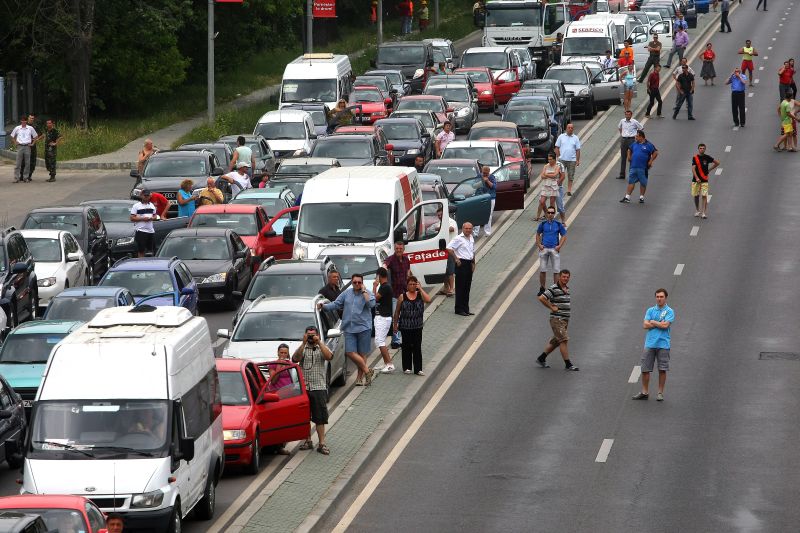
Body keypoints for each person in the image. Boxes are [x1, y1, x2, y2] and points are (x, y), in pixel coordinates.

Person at [319, 273, 376, 386]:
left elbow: (371, 305)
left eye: (359, 282)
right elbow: (336, 304)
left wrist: (364, 292)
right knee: (350, 352)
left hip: (363, 328)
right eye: (354, 282)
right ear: (352, 282)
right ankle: (367, 370)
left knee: (362, 353)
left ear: (362, 283)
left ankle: (359, 379)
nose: (357, 284)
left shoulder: (367, 293)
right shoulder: (346, 293)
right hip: (349, 328)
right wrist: (324, 307)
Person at [293, 326, 334, 455]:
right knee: (305, 417)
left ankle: (322, 443)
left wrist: (319, 342)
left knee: (320, 417)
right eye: (308, 334)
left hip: (318, 387)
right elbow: (295, 359)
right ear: (305, 335)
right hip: (304, 388)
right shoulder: (303, 348)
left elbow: (329, 356)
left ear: (317, 335)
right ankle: (307, 441)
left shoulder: (321, 347)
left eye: (313, 334)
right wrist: (303, 343)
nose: (311, 337)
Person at [632, 288, 675, 401]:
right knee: (645, 369)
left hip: (663, 344)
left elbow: (666, 325)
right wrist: (659, 323)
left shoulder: (670, 311)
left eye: (661, 297)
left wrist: (654, 322)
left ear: (665, 298)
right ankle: (645, 392)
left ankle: (660, 393)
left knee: (662, 369)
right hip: (650, 343)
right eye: (657, 297)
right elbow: (645, 325)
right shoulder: (650, 310)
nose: (659, 299)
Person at [536, 269, 578, 371]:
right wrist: (551, 306)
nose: (565, 279)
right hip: (557, 319)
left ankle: (541, 358)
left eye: (567, 277)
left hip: (564, 320)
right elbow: (542, 298)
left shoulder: (566, 288)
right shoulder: (553, 288)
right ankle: (568, 364)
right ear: (559, 277)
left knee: (556, 341)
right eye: (563, 277)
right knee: (563, 340)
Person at [393, 276, 431, 375]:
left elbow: (428, 300)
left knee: (417, 347)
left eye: (414, 284)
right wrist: (395, 325)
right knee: (406, 347)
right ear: (407, 285)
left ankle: (418, 369)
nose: (412, 286)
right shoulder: (402, 296)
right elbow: (397, 312)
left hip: (417, 326)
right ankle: (407, 367)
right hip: (405, 326)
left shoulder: (419, 295)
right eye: (410, 284)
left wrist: (421, 289)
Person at [384, 241, 411, 348]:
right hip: (395, 294)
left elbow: (408, 271)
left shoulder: (406, 260)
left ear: (403, 249)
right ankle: (395, 340)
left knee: (405, 316)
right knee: (395, 317)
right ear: (394, 249)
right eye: (397, 249)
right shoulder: (391, 259)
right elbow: (385, 264)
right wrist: (384, 269)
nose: (399, 250)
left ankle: (404, 338)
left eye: (400, 249)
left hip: (405, 293)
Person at [620, 130, 658, 204]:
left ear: (641, 137)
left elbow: (655, 152)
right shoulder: (634, 144)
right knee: (631, 181)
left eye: (637, 136)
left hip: (643, 168)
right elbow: (629, 149)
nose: (635, 138)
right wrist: (629, 156)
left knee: (643, 182)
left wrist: (651, 161)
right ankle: (627, 197)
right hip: (633, 167)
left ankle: (641, 197)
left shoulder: (649, 145)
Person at [536, 207, 567, 296]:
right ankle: (542, 288)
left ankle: (555, 289)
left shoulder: (558, 224)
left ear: (554, 214)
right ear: (546, 213)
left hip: (554, 249)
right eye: (548, 212)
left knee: (556, 271)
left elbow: (564, 235)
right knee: (542, 270)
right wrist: (539, 245)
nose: (550, 214)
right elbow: (538, 234)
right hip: (544, 249)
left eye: (552, 213)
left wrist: (559, 246)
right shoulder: (543, 224)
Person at [448, 222, 475, 316]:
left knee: (467, 287)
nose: (468, 230)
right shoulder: (458, 238)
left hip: (469, 263)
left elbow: (472, 251)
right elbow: (449, 248)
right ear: (463, 229)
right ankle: (459, 309)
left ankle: (466, 308)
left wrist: (473, 263)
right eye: (466, 228)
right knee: (460, 287)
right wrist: (456, 259)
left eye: (470, 228)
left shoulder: (471, 237)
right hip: (461, 263)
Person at [373, 268, 396, 374]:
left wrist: (374, 287)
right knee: (380, 340)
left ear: (379, 276)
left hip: (383, 317)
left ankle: (389, 364)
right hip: (383, 317)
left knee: (380, 341)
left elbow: (375, 299)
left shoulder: (385, 287)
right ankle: (386, 362)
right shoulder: (385, 286)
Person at [691, 143, 720, 218]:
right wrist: (697, 177)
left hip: (704, 180)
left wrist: (709, 170)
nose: (702, 149)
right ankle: (697, 210)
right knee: (696, 195)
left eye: (703, 148)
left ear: (705, 149)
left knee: (704, 195)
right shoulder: (695, 157)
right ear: (698, 149)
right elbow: (693, 169)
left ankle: (704, 213)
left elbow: (717, 163)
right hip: (696, 180)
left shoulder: (707, 157)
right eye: (700, 148)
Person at [554, 122, 581, 196]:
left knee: (571, 175)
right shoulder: (561, 136)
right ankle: (559, 188)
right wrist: (559, 156)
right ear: (566, 128)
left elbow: (578, 150)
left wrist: (577, 160)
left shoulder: (576, 138)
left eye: (572, 128)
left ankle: (569, 190)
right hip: (562, 159)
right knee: (560, 175)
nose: (570, 129)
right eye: (569, 127)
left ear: (573, 129)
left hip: (572, 160)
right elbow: (556, 148)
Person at [130, 190, 158, 257]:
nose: (146, 197)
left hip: (151, 231)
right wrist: (142, 219)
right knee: (141, 250)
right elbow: (132, 218)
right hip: (141, 231)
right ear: (141, 196)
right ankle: (140, 264)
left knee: (152, 250)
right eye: (145, 195)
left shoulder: (152, 205)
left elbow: (155, 215)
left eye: (147, 195)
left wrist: (152, 218)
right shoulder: (136, 206)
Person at [10, 116, 37, 183]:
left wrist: (33, 143)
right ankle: (16, 178)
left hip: (27, 146)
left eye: (25, 120)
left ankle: (25, 178)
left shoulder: (30, 128)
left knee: (27, 163)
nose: (24, 122)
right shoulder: (17, 128)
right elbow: (12, 136)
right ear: (21, 121)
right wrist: (15, 142)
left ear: (26, 121)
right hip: (20, 146)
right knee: (18, 163)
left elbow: (36, 136)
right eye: (22, 120)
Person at [618, 110, 643, 179]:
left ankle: (632, 174)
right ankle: (622, 174)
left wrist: (636, 136)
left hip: (632, 140)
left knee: (631, 158)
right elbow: (619, 127)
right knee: (623, 158)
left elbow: (641, 128)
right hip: (623, 140)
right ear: (625, 115)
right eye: (626, 114)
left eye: (629, 115)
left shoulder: (634, 122)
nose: (627, 116)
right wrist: (622, 134)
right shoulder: (622, 121)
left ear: (631, 115)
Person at [536, 153, 562, 221]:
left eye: (551, 159)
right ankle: (538, 216)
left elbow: (555, 175)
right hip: (546, 185)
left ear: (554, 159)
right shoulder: (546, 166)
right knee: (542, 201)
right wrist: (550, 174)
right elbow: (542, 176)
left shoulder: (557, 167)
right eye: (548, 159)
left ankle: (551, 217)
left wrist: (546, 174)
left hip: (553, 186)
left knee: (552, 203)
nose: (549, 161)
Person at [474, 165, 496, 237]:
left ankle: (487, 232)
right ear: (481, 171)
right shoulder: (479, 176)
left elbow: (494, 187)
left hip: (490, 198)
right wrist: (482, 181)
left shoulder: (492, 177)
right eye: (484, 173)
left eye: (487, 173)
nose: (485, 174)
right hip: (479, 197)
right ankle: (475, 232)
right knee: (477, 214)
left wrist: (487, 181)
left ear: (489, 172)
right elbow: (474, 186)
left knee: (489, 215)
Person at [22, 114, 40, 181]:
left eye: (32, 118)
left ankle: (29, 175)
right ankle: (22, 175)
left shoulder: (35, 126)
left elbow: (41, 135)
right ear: (28, 118)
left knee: (32, 161)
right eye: (30, 118)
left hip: (32, 146)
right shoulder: (23, 125)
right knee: (23, 161)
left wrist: (37, 139)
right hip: (24, 146)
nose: (31, 119)